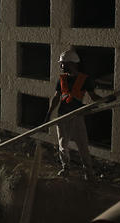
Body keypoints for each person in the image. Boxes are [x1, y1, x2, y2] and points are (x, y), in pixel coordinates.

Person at [44, 50, 113, 181]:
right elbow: (56, 97)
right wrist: (49, 114)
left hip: (77, 116)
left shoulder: (84, 79)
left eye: (63, 64)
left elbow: (93, 97)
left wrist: (106, 100)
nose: (61, 66)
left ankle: (89, 172)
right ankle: (66, 168)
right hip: (62, 116)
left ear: (71, 64)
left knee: (82, 145)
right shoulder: (62, 79)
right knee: (63, 145)